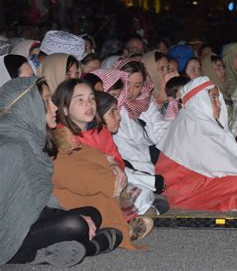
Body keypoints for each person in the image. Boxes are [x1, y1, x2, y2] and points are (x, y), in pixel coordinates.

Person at [0, 77, 111, 267]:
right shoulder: (11, 146)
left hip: (28, 219)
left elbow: (35, 202)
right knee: (75, 225)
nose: (55, 107)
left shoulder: (31, 139)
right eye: (45, 101)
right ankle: (86, 247)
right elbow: (10, 215)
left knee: (92, 213)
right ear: (27, 106)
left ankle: (49, 250)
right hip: (7, 231)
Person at [155, 76, 237, 212]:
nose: (219, 104)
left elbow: (223, 159)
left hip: (193, 178)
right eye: (213, 99)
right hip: (179, 187)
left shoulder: (194, 118)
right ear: (201, 101)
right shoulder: (194, 123)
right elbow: (221, 163)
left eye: (218, 98)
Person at [51, 79, 138, 249]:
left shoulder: (100, 130)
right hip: (77, 191)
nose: (89, 104)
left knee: (129, 187)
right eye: (80, 100)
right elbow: (77, 173)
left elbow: (115, 157)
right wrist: (108, 167)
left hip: (104, 183)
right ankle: (117, 226)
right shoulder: (62, 135)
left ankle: (118, 225)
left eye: (91, 98)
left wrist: (115, 166)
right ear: (65, 109)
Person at [83, 91, 155, 241]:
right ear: (99, 115)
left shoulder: (103, 134)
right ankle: (122, 226)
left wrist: (114, 165)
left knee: (142, 193)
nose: (119, 116)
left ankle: (133, 217)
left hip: (114, 183)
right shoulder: (83, 137)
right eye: (113, 112)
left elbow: (118, 160)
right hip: (94, 190)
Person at [112, 58, 170, 215]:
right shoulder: (111, 108)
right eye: (126, 84)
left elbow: (160, 130)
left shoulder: (145, 102)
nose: (130, 91)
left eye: (137, 86)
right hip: (132, 165)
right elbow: (126, 150)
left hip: (151, 158)